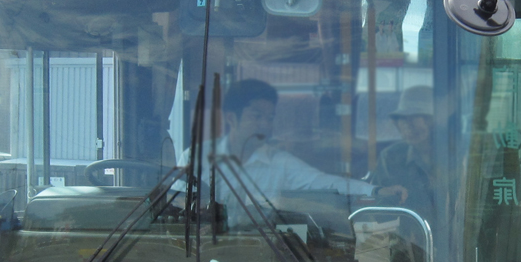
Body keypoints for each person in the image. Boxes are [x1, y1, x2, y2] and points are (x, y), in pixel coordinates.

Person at [184, 78, 403, 213]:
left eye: (270, 118)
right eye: (257, 116)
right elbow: (176, 204)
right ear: (232, 118)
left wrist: (375, 191)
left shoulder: (280, 163)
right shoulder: (195, 158)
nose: (265, 125)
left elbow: (326, 183)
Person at [368, 85, 438, 223]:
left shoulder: (456, 155)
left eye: (414, 117)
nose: (407, 125)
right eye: (402, 119)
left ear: (432, 121)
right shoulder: (390, 157)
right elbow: (379, 209)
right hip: (411, 234)